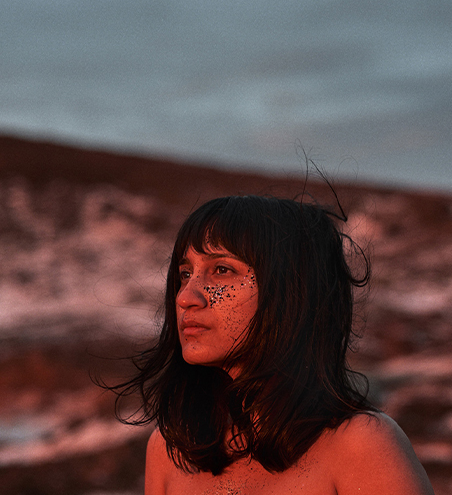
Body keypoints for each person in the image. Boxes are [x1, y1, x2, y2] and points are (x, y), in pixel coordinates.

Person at [110, 195, 434, 494]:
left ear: (292, 292)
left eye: (221, 270)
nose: (185, 297)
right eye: (184, 273)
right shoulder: (173, 450)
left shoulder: (360, 445)